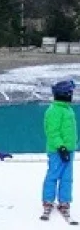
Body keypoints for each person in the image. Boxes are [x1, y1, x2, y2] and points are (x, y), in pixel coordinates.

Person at [42, 79, 77, 221]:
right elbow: (52, 132)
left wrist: (70, 147)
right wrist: (61, 147)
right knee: (53, 175)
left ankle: (64, 201)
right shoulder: (54, 111)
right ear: (64, 94)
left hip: (69, 149)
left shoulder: (67, 109)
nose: (72, 95)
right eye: (70, 92)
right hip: (57, 151)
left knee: (67, 177)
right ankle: (48, 200)